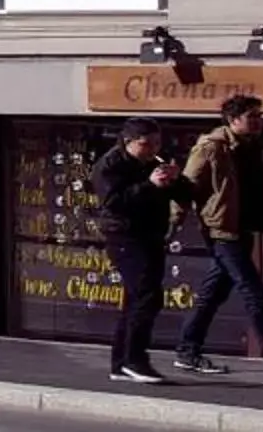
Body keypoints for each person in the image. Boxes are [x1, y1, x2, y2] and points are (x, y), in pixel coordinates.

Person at [173, 94, 263, 378]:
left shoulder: (253, 147)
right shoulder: (211, 147)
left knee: (212, 294)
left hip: (244, 228)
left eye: (259, 116)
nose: (258, 122)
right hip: (222, 231)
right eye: (251, 117)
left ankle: (187, 350)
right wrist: (173, 222)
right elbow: (185, 187)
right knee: (255, 293)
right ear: (233, 120)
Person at [94, 118, 184, 383]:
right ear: (129, 142)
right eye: (146, 144)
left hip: (151, 234)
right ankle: (135, 360)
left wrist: (174, 180)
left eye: (157, 143)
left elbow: (177, 192)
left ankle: (121, 364)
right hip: (124, 235)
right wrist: (150, 184)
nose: (153, 149)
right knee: (147, 296)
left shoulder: (154, 162)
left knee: (136, 299)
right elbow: (113, 202)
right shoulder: (110, 166)